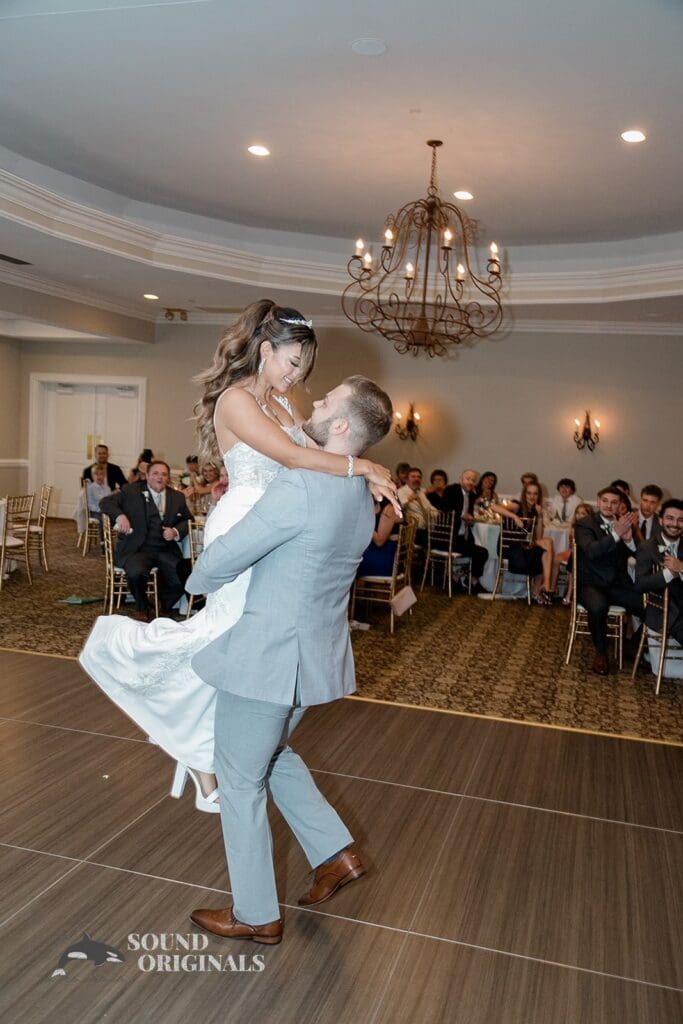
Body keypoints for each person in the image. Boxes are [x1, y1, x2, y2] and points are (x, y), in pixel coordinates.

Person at [79, 299, 396, 811]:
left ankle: (205, 753)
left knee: (241, 645)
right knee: (228, 637)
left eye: (303, 368)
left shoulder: (284, 402)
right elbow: (293, 456)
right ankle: (198, 749)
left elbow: (319, 451)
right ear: (265, 350)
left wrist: (362, 473)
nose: (297, 377)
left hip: (280, 525)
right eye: (292, 363)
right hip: (246, 523)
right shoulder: (235, 401)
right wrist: (361, 468)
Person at [187, 375, 394, 945]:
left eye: (326, 401)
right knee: (270, 754)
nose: (314, 403)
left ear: (342, 425)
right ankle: (334, 853)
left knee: (238, 777)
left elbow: (230, 554)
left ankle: (256, 913)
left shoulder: (303, 484)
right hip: (313, 655)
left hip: (268, 654)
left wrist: (197, 579)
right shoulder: (358, 494)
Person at [99, 460, 192, 620]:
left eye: (164, 474)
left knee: (184, 575)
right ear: (147, 476)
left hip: (165, 549)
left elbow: (188, 519)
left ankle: (162, 603)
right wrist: (120, 516)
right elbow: (105, 502)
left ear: (168, 478)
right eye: (155, 473)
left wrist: (175, 531)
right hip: (137, 548)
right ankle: (142, 607)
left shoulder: (177, 497)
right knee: (136, 572)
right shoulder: (131, 491)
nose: (159, 477)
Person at [574, 486, 644, 675]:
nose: (608, 505)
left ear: (619, 505)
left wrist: (629, 540)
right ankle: (601, 653)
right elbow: (591, 551)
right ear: (598, 502)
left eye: (614, 502)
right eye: (605, 501)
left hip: (617, 584)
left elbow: (640, 554)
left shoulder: (624, 523)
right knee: (598, 607)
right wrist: (615, 534)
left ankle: (631, 646)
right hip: (591, 583)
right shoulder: (585, 524)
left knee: (650, 606)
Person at [491, 481, 555, 604]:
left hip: (523, 548)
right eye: (529, 493)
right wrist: (514, 516)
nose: (532, 496)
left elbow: (538, 537)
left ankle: (542, 587)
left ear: (539, 496)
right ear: (524, 494)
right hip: (509, 549)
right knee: (546, 548)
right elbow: (494, 507)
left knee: (546, 547)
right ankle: (543, 588)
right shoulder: (517, 505)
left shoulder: (534, 511)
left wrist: (540, 516)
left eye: (535, 494)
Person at [634, 499, 683, 647]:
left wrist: (681, 567)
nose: (675, 524)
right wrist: (670, 573)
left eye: (680, 520)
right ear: (661, 520)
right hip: (664, 611)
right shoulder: (647, 547)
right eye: (670, 518)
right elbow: (640, 585)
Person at [440, 469, 489, 592]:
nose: (470, 482)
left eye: (473, 480)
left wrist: (470, 521)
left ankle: (459, 576)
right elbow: (445, 508)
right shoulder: (451, 490)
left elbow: (470, 514)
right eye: (468, 479)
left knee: (482, 552)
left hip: (462, 537)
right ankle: (471, 581)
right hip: (447, 537)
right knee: (481, 553)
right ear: (460, 479)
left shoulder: (471, 495)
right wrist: (463, 515)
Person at [356, 496, 401, 577]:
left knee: (349, 561)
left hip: (385, 560)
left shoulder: (389, 509)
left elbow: (379, 541)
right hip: (380, 553)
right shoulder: (377, 505)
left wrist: (363, 521)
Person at [398, 467, 437, 544]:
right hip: (412, 531)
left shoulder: (421, 492)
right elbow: (399, 508)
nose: (416, 479)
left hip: (426, 529)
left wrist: (438, 513)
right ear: (407, 479)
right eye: (413, 476)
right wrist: (409, 500)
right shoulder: (401, 491)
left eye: (419, 477)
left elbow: (430, 507)